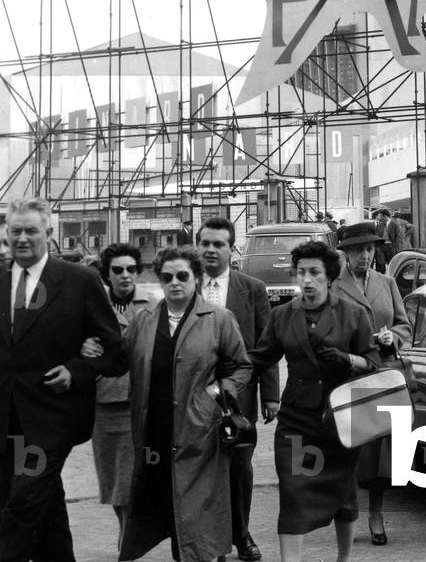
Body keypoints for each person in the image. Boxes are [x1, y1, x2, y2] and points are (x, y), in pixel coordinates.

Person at [0, 196, 124, 562]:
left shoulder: (79, 281)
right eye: (15, 231)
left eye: (31, 231)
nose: (22, 238)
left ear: (49, 233)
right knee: (42, 502)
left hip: (52, 417)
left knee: (22, 501)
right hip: (7, 416)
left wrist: (77, 369)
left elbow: (111, 342)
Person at [119, 245, 252, 562]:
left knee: (200, 519)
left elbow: (241, 366)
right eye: (167, 277)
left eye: (182, 276)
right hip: (155, 435)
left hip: (200, 435)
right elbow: (119, 358)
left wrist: (216, 395)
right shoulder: (145, 320)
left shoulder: (219, 319)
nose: (174, 282)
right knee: (169, 511)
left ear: (196, 278)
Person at [248, 240, 380, 562]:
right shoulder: (282, 316)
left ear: (329, 276)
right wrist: (223, 369)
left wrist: (348, 359)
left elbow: (373, 362)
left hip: (341, 421)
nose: (306, 279)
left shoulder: (353, 314)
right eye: (301, 272)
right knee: (293, 494)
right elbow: (259, 359)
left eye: (314, 272)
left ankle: (343, 559)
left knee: (344, 496)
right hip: (297, 422)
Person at [196, 218, 279, 562]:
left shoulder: (253, 288)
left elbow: (266, 343)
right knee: (202, 466)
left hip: (240, 392)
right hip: (196, 394)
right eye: (206, 243)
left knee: (239, 466)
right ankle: (209, 540)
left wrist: (271, 395)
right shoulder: (187, 285)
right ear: (197, 246)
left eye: (219, 244)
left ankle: (241, 534)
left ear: (232, 250)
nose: (211, 250)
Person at [333, 223, 411, 546]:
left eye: (369, 249)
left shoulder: (388, 282)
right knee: (352, 448)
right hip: (350, 375)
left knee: (380, 449)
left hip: (383, 374)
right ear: (347, 254)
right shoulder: (335, 288)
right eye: (358, 250)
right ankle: (347, 514)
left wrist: (394, 337)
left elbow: (405, 325)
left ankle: (376, 512)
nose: (365, 255)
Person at [90, 243, 154, 541]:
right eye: (117, 270)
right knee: (112, 476)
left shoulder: (153, 305)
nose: (125, 275)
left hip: (140, 399)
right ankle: (124, 530)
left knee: (132, 477)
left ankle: (128, 538)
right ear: (107, 274)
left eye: (131, 269)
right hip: (105, 400)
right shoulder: (92, 304)